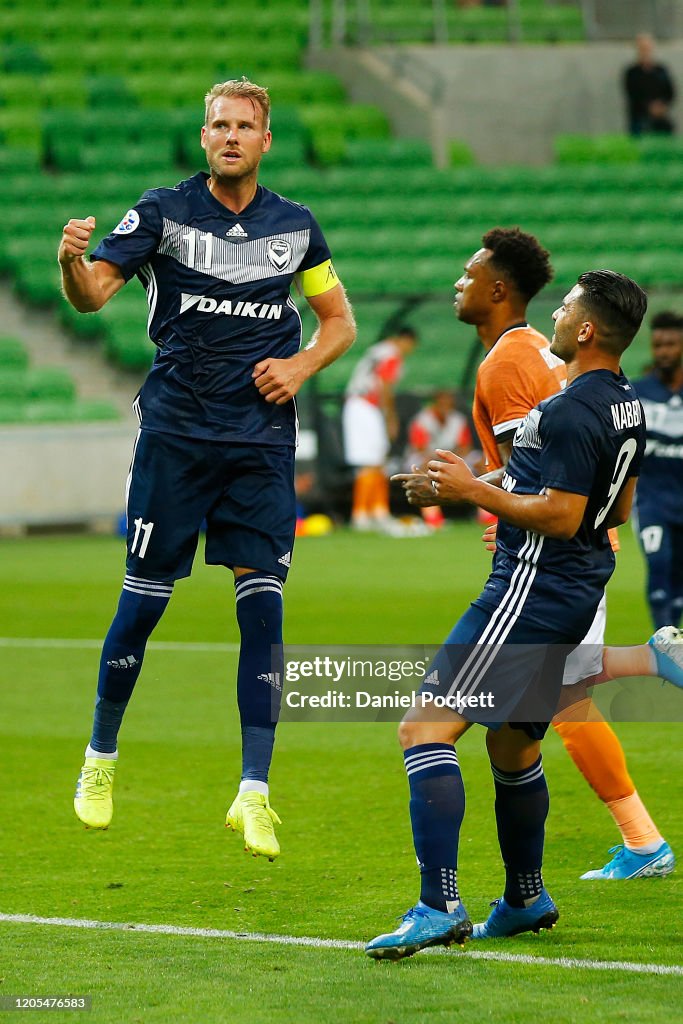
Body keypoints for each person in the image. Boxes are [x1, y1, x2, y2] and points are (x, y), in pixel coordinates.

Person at [58, 78, 356, 860]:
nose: (229, 136)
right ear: (203, 139)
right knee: (144, 604)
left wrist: (296, 369)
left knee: (263, 610)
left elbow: (338, 323)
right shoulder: (161, 210)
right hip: (177, 436)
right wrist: (69, 262)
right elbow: (93, 295)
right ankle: (99, 760)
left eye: (244, 126)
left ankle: (253, 790)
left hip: (259, 441)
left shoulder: (296, 228)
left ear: (265, 140)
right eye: (218, 125)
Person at [366, 270, 650, 960]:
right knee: (513, 745)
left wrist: (471, 491)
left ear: (585, 330)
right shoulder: (624, 405)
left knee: (423, 729)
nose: (553, 314)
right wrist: (468, 481)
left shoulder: (566, 409)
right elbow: (615, 509)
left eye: (565, 308)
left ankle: (438, 905)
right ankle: (524, 897)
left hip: (530, 589)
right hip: (576, 589)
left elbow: (561, 512)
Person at [394, 229, 679, 884]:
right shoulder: (592, 381)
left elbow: (551, 480)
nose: (456, 286)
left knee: (463, 720)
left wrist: (472, 492)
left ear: (498, 290)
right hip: (570, 555)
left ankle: (635, 841)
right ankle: (536, 890)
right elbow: (569, 476)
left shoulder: (509, 364)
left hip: (546, 564)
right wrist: (461, 484)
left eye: (468, 276)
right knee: (529, 721)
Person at [632, 311, 683, 629]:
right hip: (650, 500)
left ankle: (671, 645)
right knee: (659, 564)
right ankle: (662, 644)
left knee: (679, 581)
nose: (663, 351)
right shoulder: (636, 393)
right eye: (658, 345)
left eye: (671, 344)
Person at [342, 327, 417, 531]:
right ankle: (361, 514)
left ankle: (377, 511)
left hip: (365, 406)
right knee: (369, 461)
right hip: (364, 405)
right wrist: (390, 417)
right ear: (405, 340)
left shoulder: (379, 350)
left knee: (378, 460)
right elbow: (384, 385)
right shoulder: (391, 354)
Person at [403, 390, 475, 529]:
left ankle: (487, 513)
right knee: (424, 466)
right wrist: (440, 459)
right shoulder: (422, 419)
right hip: (425, 457)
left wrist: (450, 459)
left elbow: (465, 447)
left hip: (450, 456)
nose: (445, 403)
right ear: (435, 401)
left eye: (448, 400)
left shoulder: (458, 419)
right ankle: (432, 515)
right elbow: (419, 448)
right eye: (442, 400)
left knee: (482, 461)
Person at [624, 33, 675, 136]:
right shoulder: (632, 73)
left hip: (660, 119)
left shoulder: (661, 71)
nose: (645, 52)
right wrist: (649, 107)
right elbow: (632, 95)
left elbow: (670, 92)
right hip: (639, 119)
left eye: (647, 48)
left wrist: (661, 106)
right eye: (642, 48)